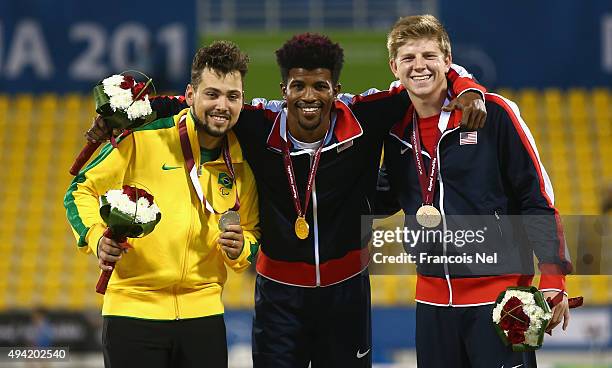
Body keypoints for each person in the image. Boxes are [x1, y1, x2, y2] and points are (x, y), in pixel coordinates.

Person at [85, 33, 486, 367]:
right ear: (284, 90)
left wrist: (468, 89)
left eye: (320, 86)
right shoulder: (256, 122)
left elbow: (426, 78)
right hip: (278, 296)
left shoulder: (367, 117)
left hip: (346, 292)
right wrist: (122, 114)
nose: (308, 96)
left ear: (337, 90)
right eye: (298, 86)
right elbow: (197, 105)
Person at [375, 15, 572, 367]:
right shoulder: (394, 127)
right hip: (432, 300)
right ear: (394, 66)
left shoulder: (494, 113)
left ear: (448, 62)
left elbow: (536, 198)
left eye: (429, 56)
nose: (419, 66)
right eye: (408, 58)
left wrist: (553, 277)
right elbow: (388, 196)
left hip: (501, 297)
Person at [64, 41, 260, 368]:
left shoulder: (242, 162)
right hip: (133, 312)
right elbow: (79, 190)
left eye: (232, 96)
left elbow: (253, 236)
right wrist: (96, 238)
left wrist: (241, 247)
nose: (222, 105)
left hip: (204, 316)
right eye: (212, 94)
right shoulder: (144, 135)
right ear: (189, 95)